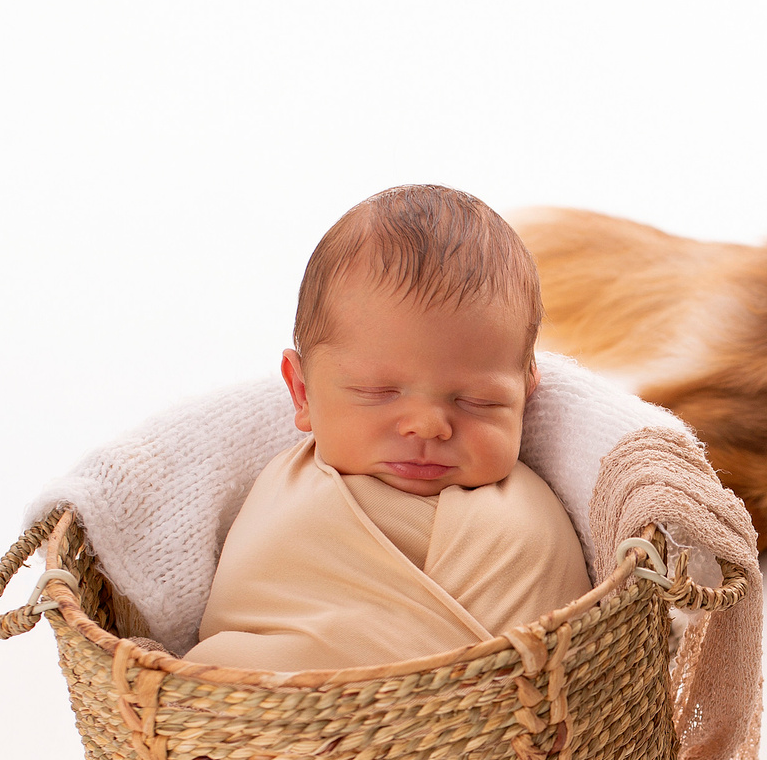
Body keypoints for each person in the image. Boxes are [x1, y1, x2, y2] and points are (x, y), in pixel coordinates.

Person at [182, 186, 590, 672]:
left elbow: (583, 658)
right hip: (281, 732)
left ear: (526, 391)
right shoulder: (282, 499)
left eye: (477, 401)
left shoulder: (531, 509)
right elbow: (237, 630)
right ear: (303, 392)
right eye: (378, 392)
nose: (427, 425)